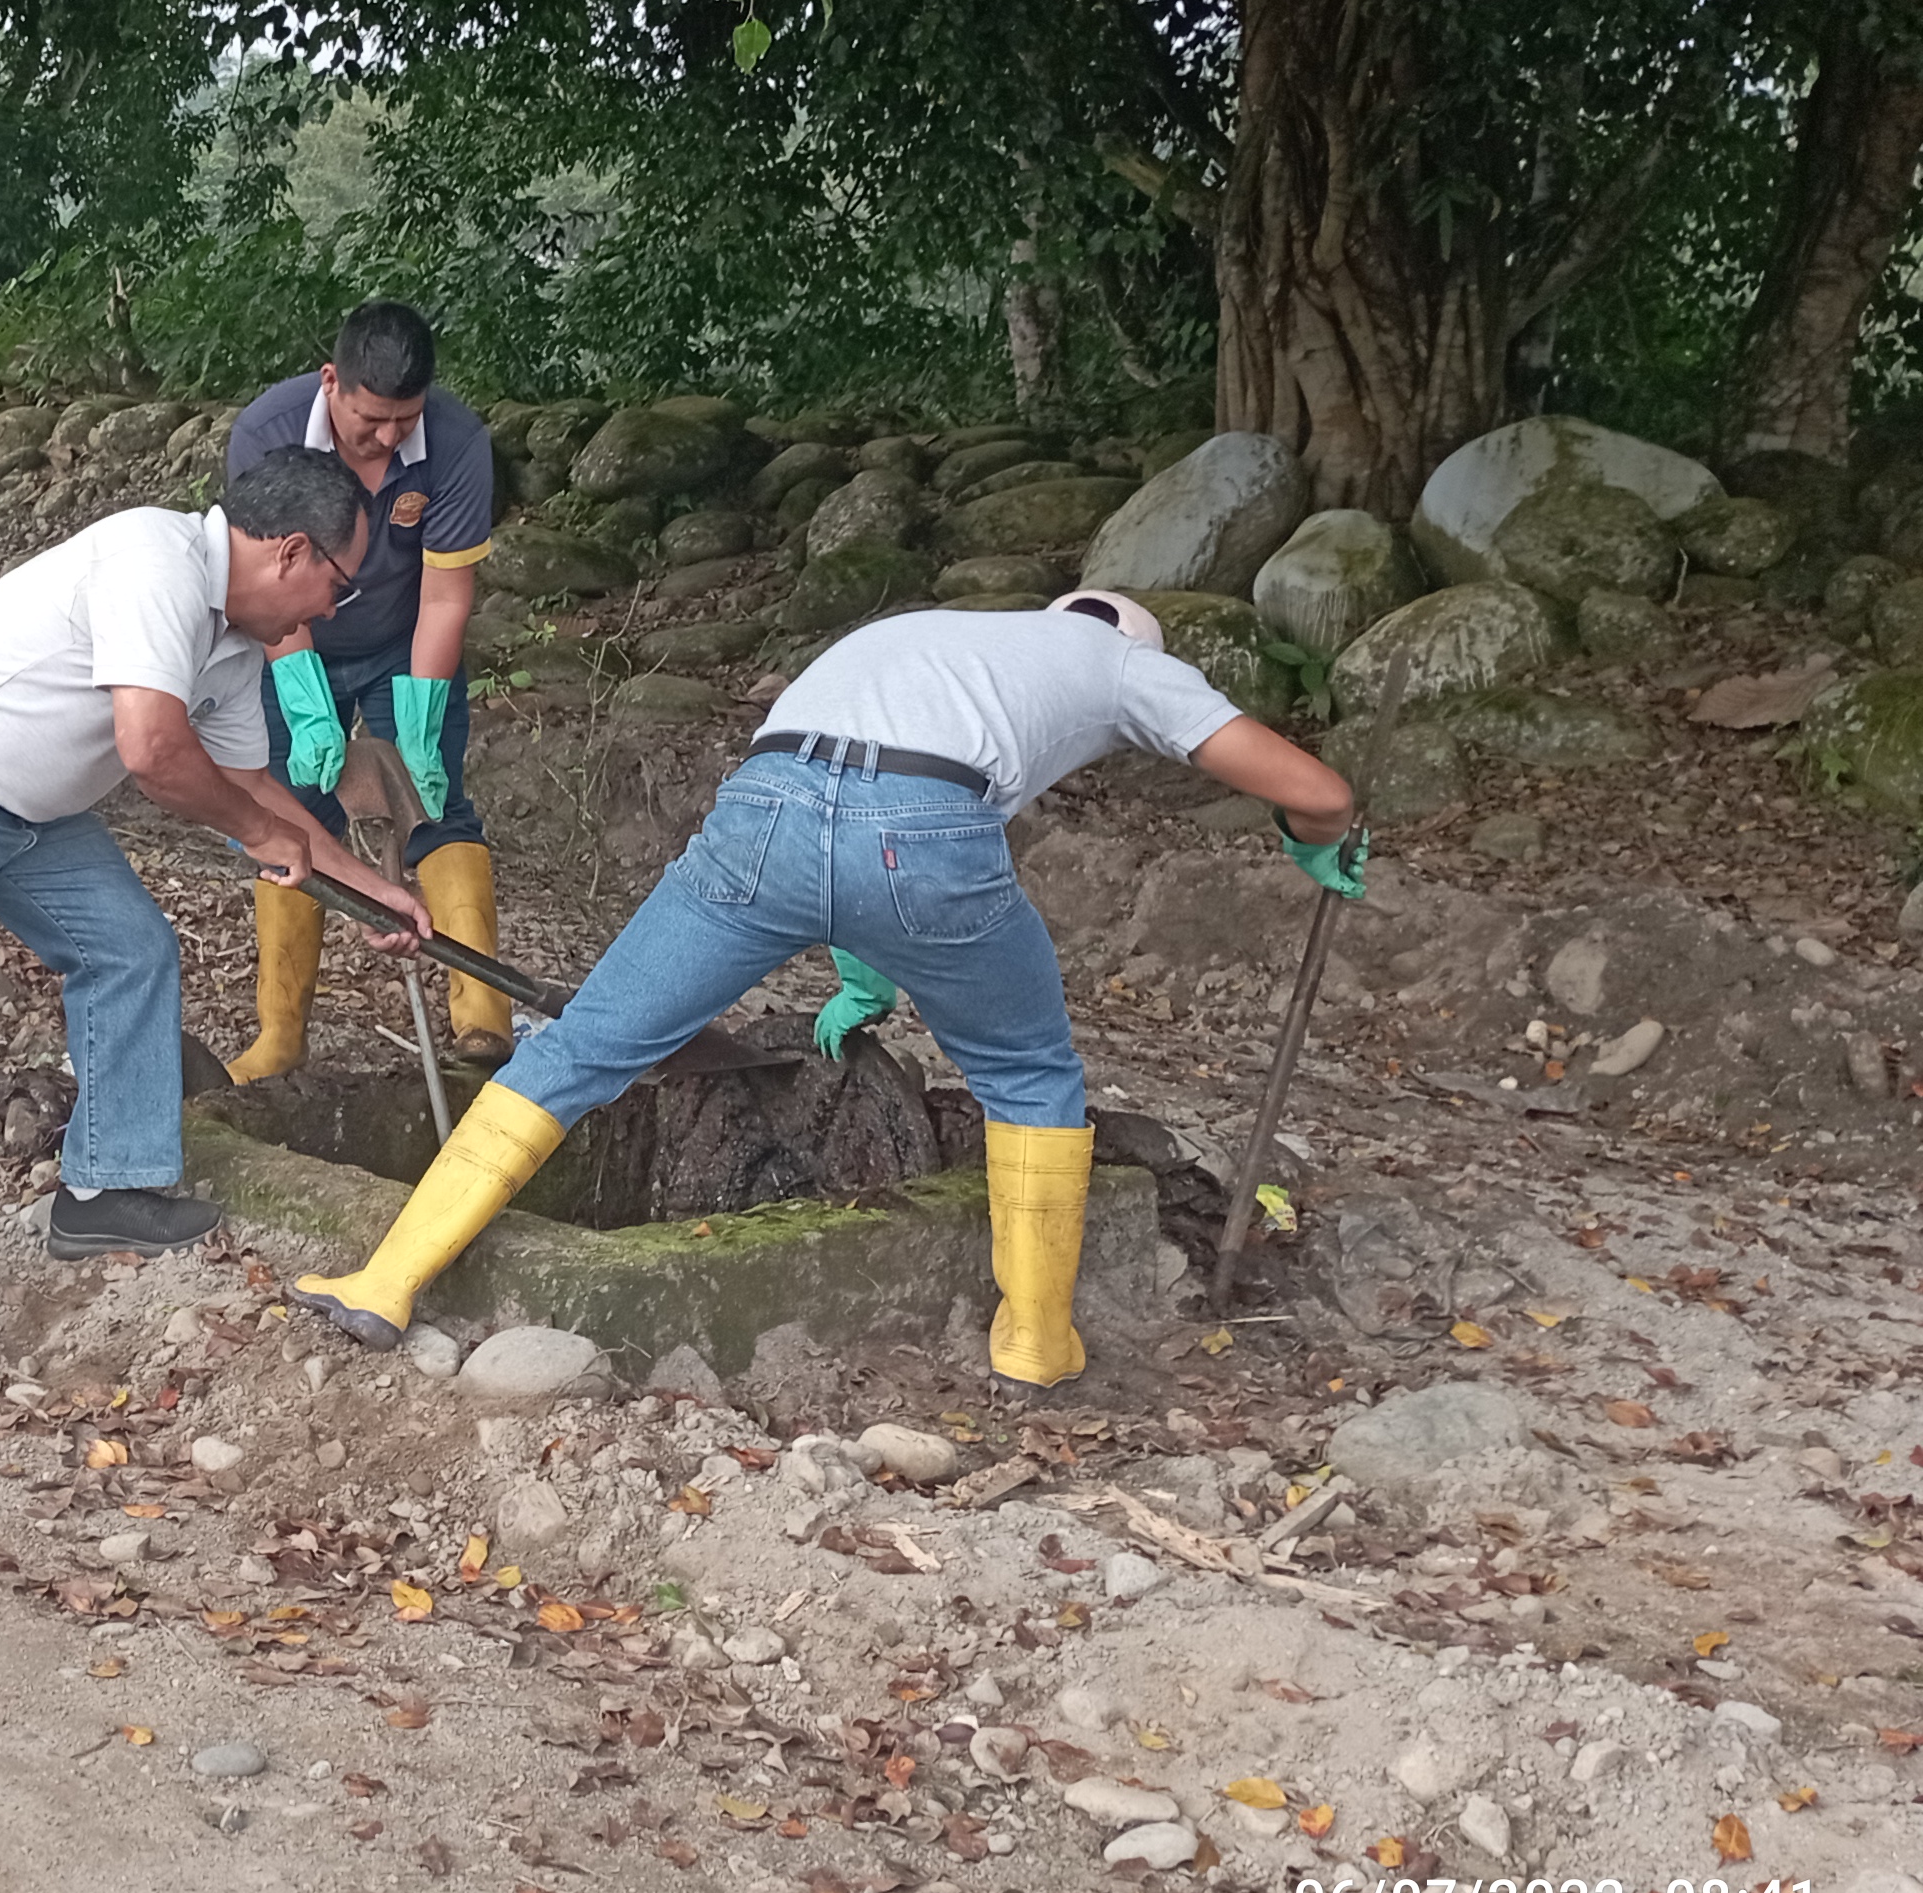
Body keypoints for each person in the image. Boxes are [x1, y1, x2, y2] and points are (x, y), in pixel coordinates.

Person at [286, 591, 1364, 1389]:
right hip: (926, 833)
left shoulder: (933, 638)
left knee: (578, 1051)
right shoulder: (1122, 660)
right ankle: (1036, 1343)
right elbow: (1318, 788)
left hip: (767, 809)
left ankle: (385, 1283)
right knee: (1029, 1074)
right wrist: (1313, 836)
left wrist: (862, 977)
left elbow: (843, 794)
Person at [0, 449, 433, 1361]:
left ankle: (103, 1190)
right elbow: (153, 752)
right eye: (338, 586)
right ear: (292, 553)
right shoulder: (156, 561)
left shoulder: (234, 643)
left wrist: (367, 889)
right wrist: (260, 836)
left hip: (27, 812)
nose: (332, 612)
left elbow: (252, 787)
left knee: (131, 951)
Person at [217, 300, 515, 1075]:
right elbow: (262, 582)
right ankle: (280, 1038)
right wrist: (304, 694)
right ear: (332, 383)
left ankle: (483, 1019)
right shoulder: (268, 431)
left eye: (403, 421)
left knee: (435, 806)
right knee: (287, 808)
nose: (387, 438)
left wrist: (420, 717)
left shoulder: (457, 444)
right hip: (292, 637)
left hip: (403, 645)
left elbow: (444, 597)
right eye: (371, 421)